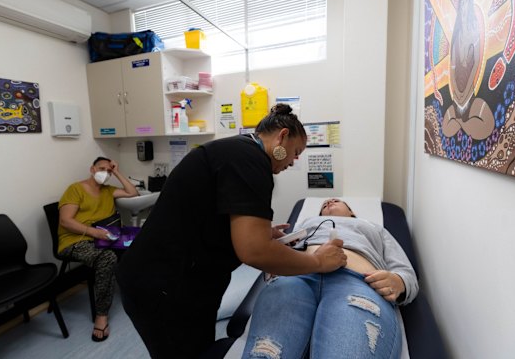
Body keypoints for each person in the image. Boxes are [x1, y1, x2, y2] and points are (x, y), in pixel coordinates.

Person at [115, 104, 348, 358]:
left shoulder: (237, 151)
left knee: (199, 348)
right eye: (295, 152)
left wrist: (263, 231)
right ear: (282, 136)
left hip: (176, 280)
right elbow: (255, 252)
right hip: (164, 285)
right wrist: (317, 261)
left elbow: (214, 213)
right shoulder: (249, 161)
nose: (294, 161)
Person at [241, 198, 419, 359]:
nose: (328, 202)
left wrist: (399, 282)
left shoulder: (374, 228)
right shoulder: (307, 225)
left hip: (356, 283)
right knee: (266, 353)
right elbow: (277, 256)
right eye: (323, 205)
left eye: (336, 201)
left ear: (352, 212)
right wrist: (278, 254)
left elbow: (405, 271)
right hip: (295, 278)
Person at [57, 157, 138, 342]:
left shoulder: (108, 191)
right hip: (75, 241)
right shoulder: (75, 189)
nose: (105, 173)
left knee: (135, 245)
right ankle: (101, 315)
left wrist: (117, 172)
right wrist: (94, 233)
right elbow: (65, 221)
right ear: (92, 169)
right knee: (108, 258)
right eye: (102, 169)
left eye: (109, 171)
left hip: (102, 239)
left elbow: (132, 192)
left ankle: (135, 294)